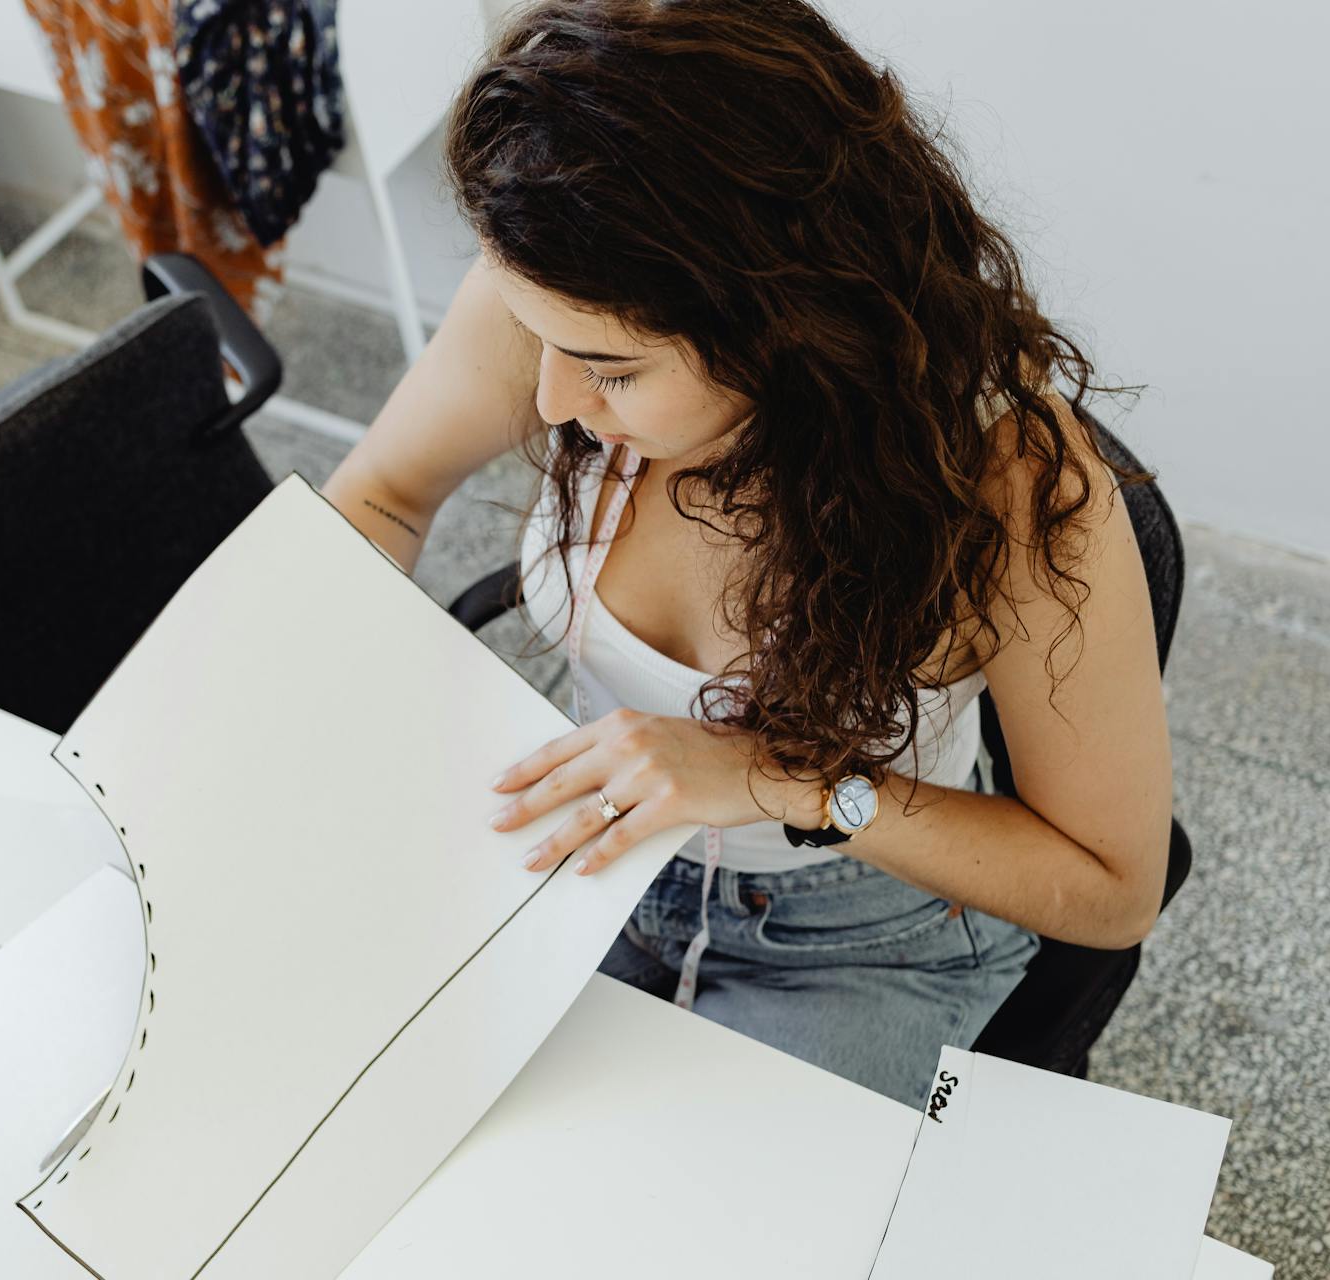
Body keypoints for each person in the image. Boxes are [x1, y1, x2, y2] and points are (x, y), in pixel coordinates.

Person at [318, 0, 1171, 1109]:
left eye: (612, 372)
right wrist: (310, 677)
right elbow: (380, 492)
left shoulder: (1008, 475)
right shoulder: (557, 293)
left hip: (854, 933)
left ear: (781, 318)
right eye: (544, 346)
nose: (552, 403)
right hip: (582, 852)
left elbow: (1113, 889)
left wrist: (782, 779)